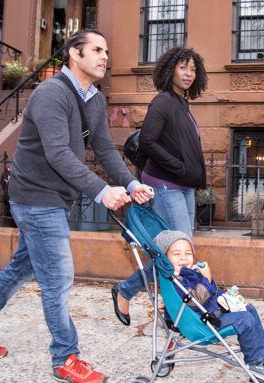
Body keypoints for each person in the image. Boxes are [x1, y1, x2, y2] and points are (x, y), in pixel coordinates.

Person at [0, 30, 154, 383]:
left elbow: (106, 149)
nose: (104, 56)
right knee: (59, 280)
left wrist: (130, 183)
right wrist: (100, 191)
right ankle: (65, 357)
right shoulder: (51, 93)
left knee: (22, 267)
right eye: (96, 50)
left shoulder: (93, 99)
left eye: (106, 51)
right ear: (74, 54)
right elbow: (58, 152)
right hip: (34, 197)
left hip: (54, 198)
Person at [111, 47, 209, 327]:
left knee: (177, 252)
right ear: (170, 70)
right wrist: (178, 167)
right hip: (167, 186)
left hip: (184, 186)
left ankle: (134, 293)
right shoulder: (162, 102)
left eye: (193, 69)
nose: (188, 73)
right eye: (183, 68)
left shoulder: (182, 103)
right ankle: (173, 314)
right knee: (179, 253)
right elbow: (148, 142)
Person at [153, 230, 264, 383]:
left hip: (211, 314)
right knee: (245, 320)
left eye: (188, 253)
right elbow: (195, 300)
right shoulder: (176, 281)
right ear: (165, 259)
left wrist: (221, 293)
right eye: (176, 254)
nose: (183, 257)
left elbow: (210, 292)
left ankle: (260, 352)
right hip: (202, 324)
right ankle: (255, 362)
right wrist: (206, 278)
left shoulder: (188, 273)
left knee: (249, 309)